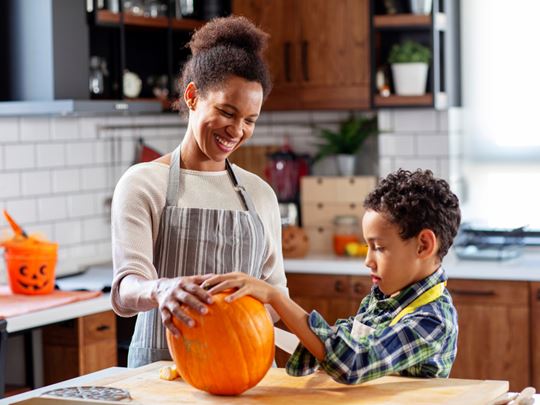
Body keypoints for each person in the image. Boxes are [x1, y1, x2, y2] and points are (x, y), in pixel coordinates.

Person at [110, 16, 287, 368]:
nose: (236, 130)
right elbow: (126, 288)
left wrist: (236, 334)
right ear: (192, 96)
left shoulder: (260, 193)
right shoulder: (143, 183)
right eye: (226, 111)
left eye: (250, 120)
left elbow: (276, 294)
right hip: (160, 372)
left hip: (243, 371)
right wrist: (160, 290)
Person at [205, 169, 461, 384]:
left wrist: (275, 298)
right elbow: (339, 343)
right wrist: (250, 331)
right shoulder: (384, 299)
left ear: (424, 245)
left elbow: (354, 362)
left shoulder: (433, 321)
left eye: (380, 248)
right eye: (368, 246)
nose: (368, 260)